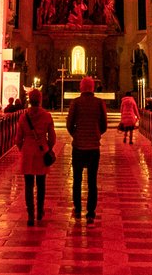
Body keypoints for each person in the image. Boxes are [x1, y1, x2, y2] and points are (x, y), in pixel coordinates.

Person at [65, 76, 108, 222]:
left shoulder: (76, 103)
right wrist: (96, 134)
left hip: (78, 146)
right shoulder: (99, 103)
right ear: (93, 88)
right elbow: (104, 125)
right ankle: (91, 212)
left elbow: (69, 124)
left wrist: (76, 135)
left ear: (81, 87)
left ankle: (77, 208)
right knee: (92, 180)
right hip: (93, 147)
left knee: (77, 179)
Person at [17, 89, 56, 225]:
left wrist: (23, 147)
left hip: (28, 150)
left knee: (28, 184)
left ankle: (30, 215)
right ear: (40, 99)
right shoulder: (46, 116)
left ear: (29, 99)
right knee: (41, 183)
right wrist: (49, 148)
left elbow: (18, 139)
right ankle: (40, 211)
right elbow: (52, 137)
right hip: (41, 151)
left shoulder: (23, 116)